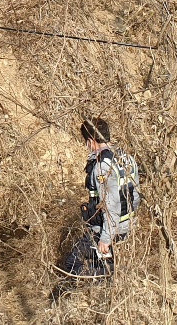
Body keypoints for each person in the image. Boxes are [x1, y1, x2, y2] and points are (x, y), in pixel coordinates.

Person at [53, 118, 140, 298]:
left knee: (72, 263)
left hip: (106, 230)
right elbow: (136, 195)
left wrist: (106, 238)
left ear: (90, 142)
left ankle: (94, 288)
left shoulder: (102, 165)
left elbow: (111, 204)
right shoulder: (126, 157)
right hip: (126, 225)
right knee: (102, 262)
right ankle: (107, 287)